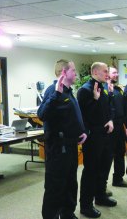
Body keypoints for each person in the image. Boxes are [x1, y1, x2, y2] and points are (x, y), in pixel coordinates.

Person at [38, 59, 87, 219]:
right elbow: (42, 115)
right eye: (73, 70)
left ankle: (67, 213)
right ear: (64, 72)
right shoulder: (54, 90)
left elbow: (72, 116)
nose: (76, 73)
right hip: (58, 149)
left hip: (71, 146)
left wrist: (82, 131)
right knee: (55, 186)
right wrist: (56, 94)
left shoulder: (69, 90)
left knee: (70, 183)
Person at [78, 62, 116, 219]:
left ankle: (100, 197)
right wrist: (94, 99)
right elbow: (83, 116)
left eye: (108, 71)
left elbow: (108, 109)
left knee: (104, 167)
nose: (107, 73)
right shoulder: (84, 90)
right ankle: (86, 205)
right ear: (94, 71)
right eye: (104, 71)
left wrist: (111, 120)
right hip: (92, 137)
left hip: (105, 134)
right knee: (91, 171)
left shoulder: (102, 87)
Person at [105, 67, 127, 187]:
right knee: (107, 156)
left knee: (121, 152)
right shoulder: (103, 90)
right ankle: (102, 185)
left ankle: (118, 179)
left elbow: (125, 109)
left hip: (120, 126)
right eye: (114, 72)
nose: (117, 74)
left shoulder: (118, 90)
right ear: (107, 74)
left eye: (117, 72)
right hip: (109, 128)